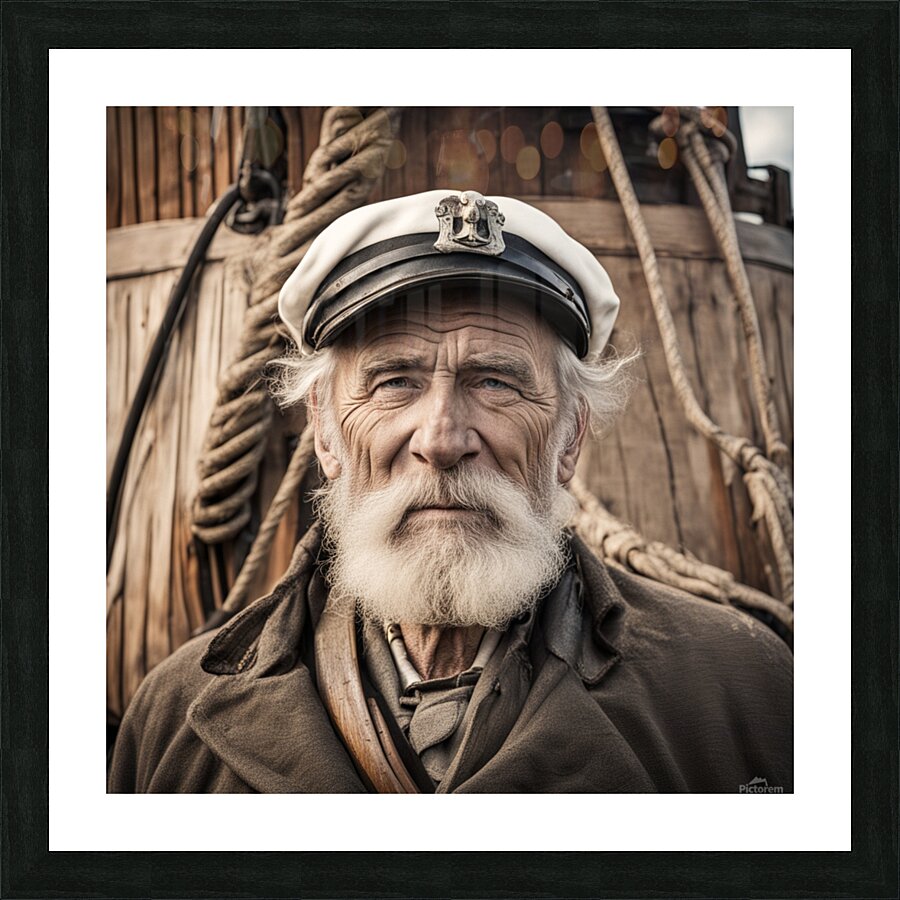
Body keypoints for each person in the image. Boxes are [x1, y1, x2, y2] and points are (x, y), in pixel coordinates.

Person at [108, 190, 793, 793]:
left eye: (495, 381)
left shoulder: (739, 694)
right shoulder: (174, 722)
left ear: (570, 435)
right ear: (323, 428)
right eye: (393, 381)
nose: (441, 439)